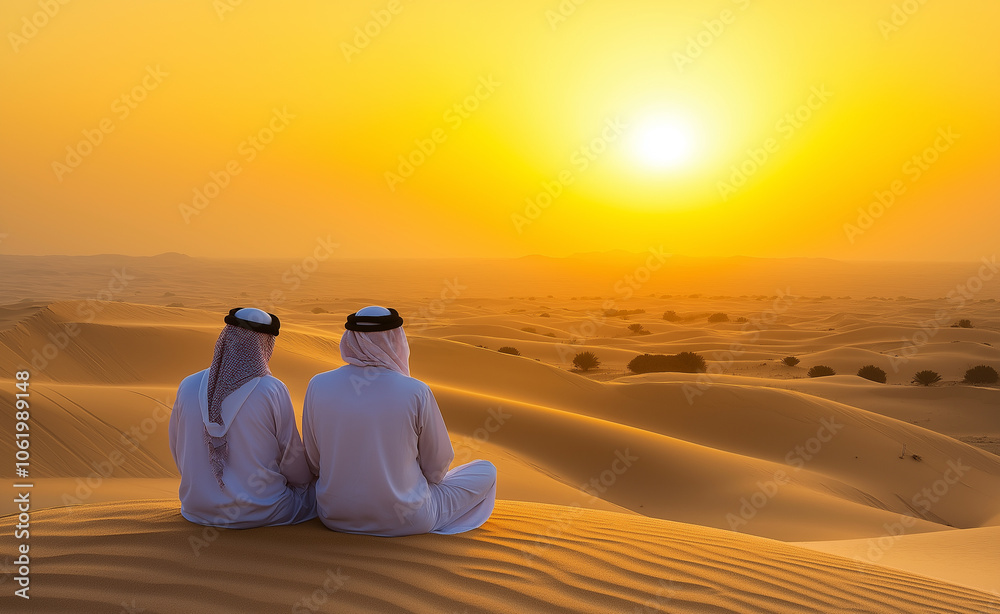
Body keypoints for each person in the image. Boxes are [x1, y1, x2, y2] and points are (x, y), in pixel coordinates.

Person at [303, 305, 497, 536]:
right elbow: (437, 469)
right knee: (486, 470)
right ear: (397, 340)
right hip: (408, 520)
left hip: (334, 516)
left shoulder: (318, 384)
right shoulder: (416, 391)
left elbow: (314, 462)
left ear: (350, 339)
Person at [169, 307, 316, 528]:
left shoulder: (188, 384)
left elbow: (176, 446)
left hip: (195, 509)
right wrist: (306, 482)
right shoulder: (272, 389)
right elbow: (291, 458)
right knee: (320, 495)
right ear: (264, 344)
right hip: (262, 510)